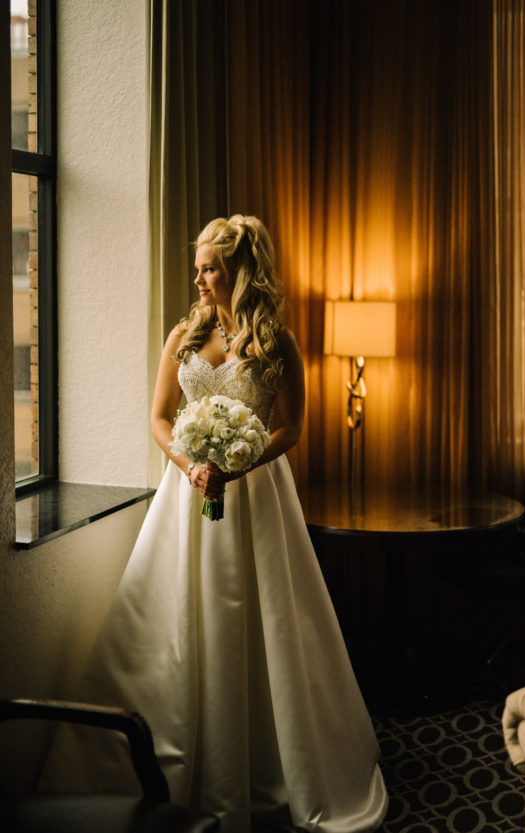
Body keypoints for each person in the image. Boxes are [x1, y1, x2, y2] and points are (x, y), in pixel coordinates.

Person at [41, 215, 388, 833]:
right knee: (176, 617)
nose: (198, 279)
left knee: (268, 621)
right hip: (188, 493)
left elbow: (293, 428)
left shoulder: (276, 341)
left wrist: (242, 459)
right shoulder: (184, 334)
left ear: (238, 271)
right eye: (196, 267)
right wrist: (192, 465)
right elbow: (158, 418)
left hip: (257, 497)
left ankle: (275, 764)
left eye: (209, 268)